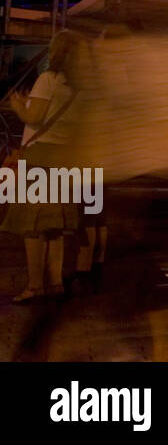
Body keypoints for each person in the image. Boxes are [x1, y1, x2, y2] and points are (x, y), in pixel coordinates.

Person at [2, 31, 84, 303]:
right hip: (65, 157)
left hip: (41, 158)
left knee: (33, 227)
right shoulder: (78, 86)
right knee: (54, 228)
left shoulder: (47, 79)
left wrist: (17, 106)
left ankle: (36, 286)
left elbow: (35, 118)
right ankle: (56, 283)